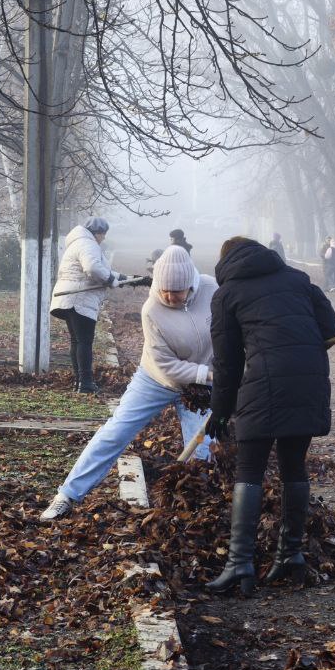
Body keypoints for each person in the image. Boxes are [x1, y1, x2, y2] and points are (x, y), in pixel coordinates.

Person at [204, 237, 335, 595]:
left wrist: (220, 411)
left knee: (249, 469)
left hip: (264, 385)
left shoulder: (227, 294)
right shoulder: (298, 279)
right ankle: (290, 554)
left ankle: (239, 564)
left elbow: (228, 363)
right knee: (294, 466)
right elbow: (332, 328)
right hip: (308, 383)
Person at [40, 246, 216, 521]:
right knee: (115, 432)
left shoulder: (211, 290)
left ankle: (195, 511)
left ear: (191, 285)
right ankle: (67, 495)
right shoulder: (152, 310)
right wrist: (209, 374)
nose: (169, 296)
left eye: (177, 291)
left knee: (203, 446)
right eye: (164, 290)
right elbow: (166, 365)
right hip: (157, 380)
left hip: (202, 384)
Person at [50, 217, 125, 393]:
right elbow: (92, 268)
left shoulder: (77, 243)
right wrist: (110, 280)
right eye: (103, 234)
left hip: (68, 299)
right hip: (80, 299)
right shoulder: (88, 244)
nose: (103, 238)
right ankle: (85, 383)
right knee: (84, 342)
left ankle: (79, 381)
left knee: (77, 341)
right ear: (96, 233)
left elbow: (100, 268)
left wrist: (122, 278)